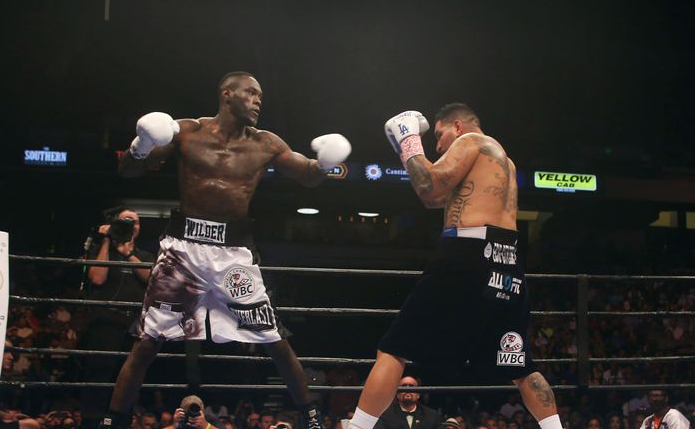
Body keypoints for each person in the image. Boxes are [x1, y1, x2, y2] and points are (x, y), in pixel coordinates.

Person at [100, 71, 351, 429]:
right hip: (182, 252)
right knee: (147, 342)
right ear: (226, 94)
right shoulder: (185, 131)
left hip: (233, 256)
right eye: (250, 93)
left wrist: (325, 164)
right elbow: (128, 171)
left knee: (274, 339)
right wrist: (140, 144)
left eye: (260, 95)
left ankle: (312, 419)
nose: (257, 100)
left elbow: (308, 174)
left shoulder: (266, 143)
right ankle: (113, 422)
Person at [345, 104, 562, 429]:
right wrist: (409, 155)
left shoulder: (470, 142)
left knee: (393, 351)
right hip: (507, 263)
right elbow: (432, 198)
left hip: (466, 255)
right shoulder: (504, 161)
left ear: (458, 126)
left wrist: (408, 140)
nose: (437, 145)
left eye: (439, 134)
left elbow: (428, 185)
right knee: (520, 368)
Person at [83, 207, 155, 421]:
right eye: (126, 220)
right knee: (98, 376)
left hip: (132, 324)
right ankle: (92, 422)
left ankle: (120, 422)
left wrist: (129, 254)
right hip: (104, 322)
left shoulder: (144, 255)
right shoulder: (101, 250)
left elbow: (151, 279)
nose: (132, 224)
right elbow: (97, 278)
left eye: (136, 221)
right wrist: (107, 239)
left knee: (128, 378)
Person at [373, 376, 443, 429]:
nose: (408, 389)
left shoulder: (432, 416)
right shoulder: (385, 415)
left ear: (418, 394)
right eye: (404, 386)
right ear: (397, 394)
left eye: (411, 386)